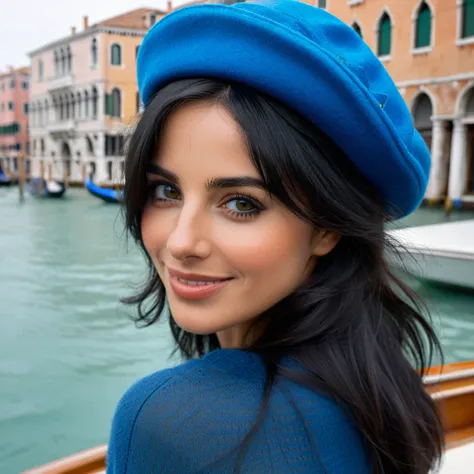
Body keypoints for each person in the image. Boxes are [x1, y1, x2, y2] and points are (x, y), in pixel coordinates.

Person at [106, 1, 444, 473]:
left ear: (326, 226)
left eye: (241, 203)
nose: (182, 242)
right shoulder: (386, 384)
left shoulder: (168, 422)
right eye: (165, 191)